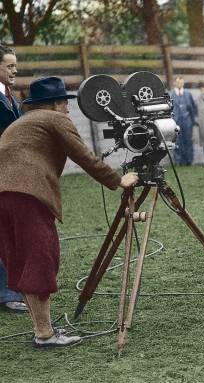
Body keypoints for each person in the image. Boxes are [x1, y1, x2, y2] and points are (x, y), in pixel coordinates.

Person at [0, 76, 139, 348]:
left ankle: (43, 329)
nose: (68, 109)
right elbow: (83, 155)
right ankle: (45, 335)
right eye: (65, 103)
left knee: (20, 260)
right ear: (55, 104)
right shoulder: (56, 120)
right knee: (40, 259)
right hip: (27, 195)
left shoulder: (22, 122)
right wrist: (118, 180)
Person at [0, 45, 27, 313]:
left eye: (15, 66)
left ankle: (10, 289)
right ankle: (7, 293)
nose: (15, 70)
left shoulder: (11, 97)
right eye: (9, 66)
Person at [170, 76, 197, 165]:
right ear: (174, 83)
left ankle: (189, 160)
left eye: (181, 83)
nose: (180, 84)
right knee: (177, 141)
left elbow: (193, 108)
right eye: (178, 82)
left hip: (187, 121)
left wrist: (192, 120)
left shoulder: (188, 93)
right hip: (176, 122)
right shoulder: (171, 94)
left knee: (188, 140)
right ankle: (179, 160)